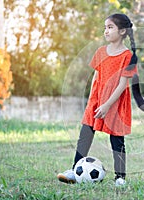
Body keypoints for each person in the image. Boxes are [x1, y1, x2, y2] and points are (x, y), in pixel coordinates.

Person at [57, 13, 137, 186]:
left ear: (122, 31)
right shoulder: (101, 52)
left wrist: (107, 105)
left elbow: (123, 84)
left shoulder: (127, 56)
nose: (106, 31)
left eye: (110, 27)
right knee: (85, 134)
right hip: (96, 99)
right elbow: (96, 76)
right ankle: (74, 171)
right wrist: (93, 100)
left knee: (117, 139)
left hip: (115, 103)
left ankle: (120, 177)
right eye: (105, 28)